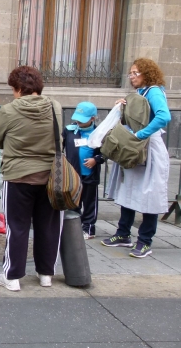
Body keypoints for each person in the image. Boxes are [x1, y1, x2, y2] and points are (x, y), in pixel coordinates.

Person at [0, 65, 64, 291]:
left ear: (20, 88)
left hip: (18, 177)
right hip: (51, 177)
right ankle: (45, 275)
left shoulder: (9, 110)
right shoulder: (55, 107)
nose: (13, 94)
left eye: (13, 89)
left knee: (17, 227)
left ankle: (12, 277)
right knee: (48, 226)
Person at [101, 58, 171, 258]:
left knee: (149, 193)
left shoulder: (155, 91)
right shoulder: (141, 93)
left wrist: (141, 135)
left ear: (146, 74)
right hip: (135, 146)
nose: (132, 77)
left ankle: (145, 240)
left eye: (135, 73)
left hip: (148, 147)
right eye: (130, 73)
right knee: (129, 190)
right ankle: (123, 234)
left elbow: (163, 117)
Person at [62, 101, 104, 240]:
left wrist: (96, 160)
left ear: (92, 118)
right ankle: (73, 226)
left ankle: (89, 227)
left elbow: (105, 152)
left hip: (89, 176)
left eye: (82, 120)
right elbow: (60, 146)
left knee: (90, 202)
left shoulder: (99, 133)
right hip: (73, 175)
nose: (78, 122)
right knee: (73, 202)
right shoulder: (69, 130)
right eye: (77, 119)